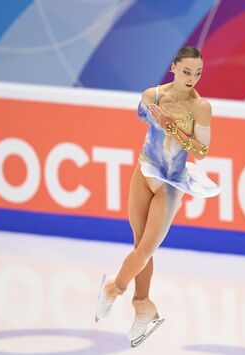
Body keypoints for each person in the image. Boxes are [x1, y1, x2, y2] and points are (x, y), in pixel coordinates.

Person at [94, 46, 220, 347]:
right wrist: (160, 123)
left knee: (145, 250)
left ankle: (113, 288)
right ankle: (143, 306)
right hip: (145, 171)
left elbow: (202, 151)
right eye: (187, 71)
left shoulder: (201, 107)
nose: (192, 78)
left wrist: (173, 128)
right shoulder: (152, 95)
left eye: (198, 73)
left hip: (171, 182)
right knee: (139, 245)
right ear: (174, 68)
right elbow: (145, 120)